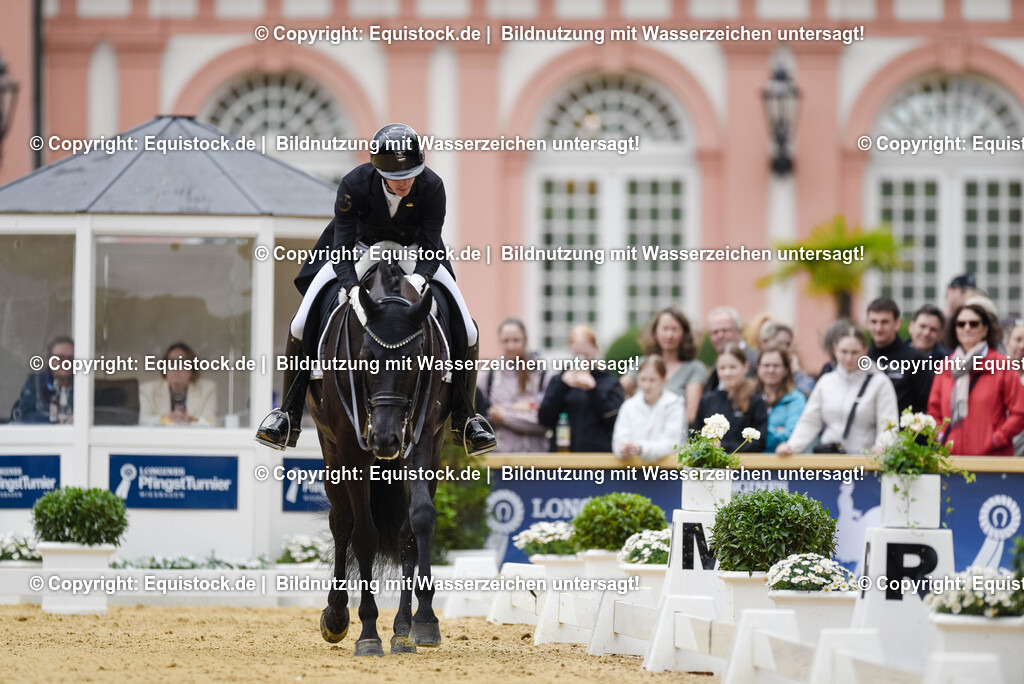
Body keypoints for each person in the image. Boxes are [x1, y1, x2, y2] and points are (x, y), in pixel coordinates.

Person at [255, 123, 496, 455]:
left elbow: (430, 243)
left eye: (411, 174)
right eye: (397, 177)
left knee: (467, 328)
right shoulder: (354, 184)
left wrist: (421, 279)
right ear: (378, 171)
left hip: (416, 252)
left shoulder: (432, 186)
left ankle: (466, 419)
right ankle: (288, 413)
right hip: (359, 248)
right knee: (300, 321)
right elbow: (340, 248)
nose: (406, 182)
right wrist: (352, 289)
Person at [777, 326, 898, 456]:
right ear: (835, 350)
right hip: (829, 460)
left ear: (865, 350)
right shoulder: (825, 382)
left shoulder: (880, 382)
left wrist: (883, 447)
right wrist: (792, 446)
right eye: (844, 351)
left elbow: (888, 423)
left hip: (865, 461)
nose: (848, 358)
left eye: (854, 352)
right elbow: (810, 421)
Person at [927, 304, 1024, 456]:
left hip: (992, 460)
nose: (967, 328)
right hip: (950, 460)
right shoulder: (945, 366)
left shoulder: (1002, 365)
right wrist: (940, 436)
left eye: (974, 323)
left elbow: (1019, 413)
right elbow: (933, 411)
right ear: (955, 329)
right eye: (961, 324)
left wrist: (996, 439)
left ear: (985, 329)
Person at [538, 325, 624, 452]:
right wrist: (562, 386)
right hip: (564, 458)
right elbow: (544, 419)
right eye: (578, 355)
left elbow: (616, 421)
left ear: (596, 349)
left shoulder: (610, 382)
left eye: (586, 355)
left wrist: (593, 390)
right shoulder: (558, 381)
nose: (582, 361)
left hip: (599, 461)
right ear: (571, 350)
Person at [623, 308, 705, 426]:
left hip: (675, 437)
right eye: (665, 329)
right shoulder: (642, 363)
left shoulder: (694, 368)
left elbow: (690, 416)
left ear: (684, 334)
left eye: (675, 329)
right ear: (655, 332)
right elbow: (618, 390)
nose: (669, 335)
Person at [478, 318, 549, 453]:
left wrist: (504, 415)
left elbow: (544, 421)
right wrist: (521, 410)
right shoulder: (487, 376)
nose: (510, 346)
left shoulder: (542, 375)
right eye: (506, 341)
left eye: (516, 340)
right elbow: (482, 417)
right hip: (499, 461)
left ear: (525, 340)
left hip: (536, 461)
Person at [695, 344, 767, 452]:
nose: (727, 373)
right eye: (722, 368)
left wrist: (723, 448)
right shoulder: (707, 400)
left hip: (744, 466)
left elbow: (759, 443)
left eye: (732, 367)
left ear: (745, 367)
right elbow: (695, 436)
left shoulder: (756, 401)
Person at [866, 297, 932, 414]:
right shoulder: (861, 359)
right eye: (874, 322)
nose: (878, 328)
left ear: (897, 323)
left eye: (884, 322)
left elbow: (927, 406)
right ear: (867, 323)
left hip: (903, 431)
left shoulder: (915, 360)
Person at [613, 357, 686, 462]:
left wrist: (641, 449)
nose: (647, 385)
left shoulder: (675, 404)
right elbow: (619, 439)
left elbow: (672, 444)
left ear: (664, 380)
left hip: (668, 473)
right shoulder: (628, 406)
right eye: (643, 379)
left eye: (652, 380)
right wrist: (623, 449)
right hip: (632, 472)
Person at [138, 342, 217, 426]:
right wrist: (163, 419)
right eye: (171, 362)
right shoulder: (147, 390)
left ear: (192, 368)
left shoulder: (208, 389)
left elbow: (211, 421)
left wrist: (190, 420)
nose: (176, 367)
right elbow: (141, 420)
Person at [10, 336, 74, 424]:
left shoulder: (82, 384)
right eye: (60, 358)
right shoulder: (35, 384)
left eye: (70, 358)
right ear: (48, 359)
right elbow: (25, 416)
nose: (66, 362)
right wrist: (57, 420)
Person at [756, 346, 806, 452]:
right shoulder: (749, 397)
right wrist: (776, 431)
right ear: (758, 368)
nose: (771, 370)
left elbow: (793, 436)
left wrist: (758, 434)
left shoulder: (796, 399)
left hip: (783, 464)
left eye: (776, 366)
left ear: (786, 370)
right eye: (766, 365)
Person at [703, 306, 757, 394]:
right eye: (715, 332)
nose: (720, 336)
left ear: (739, 331)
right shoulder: (714, 367)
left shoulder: (756, 361)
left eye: (725, 330)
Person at [756, 319, 814, 396]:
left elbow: (806, 396)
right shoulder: (753, 363)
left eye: (788, 344)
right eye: (780, 343)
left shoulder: (796, 369)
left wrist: (796, 373)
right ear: (765, 342)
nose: (784, 348)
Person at [1004, 319, 1024, 455]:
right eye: (1018, 339)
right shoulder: (994, 374)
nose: (1022, 346)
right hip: (997, 453)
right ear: (1007, 342)